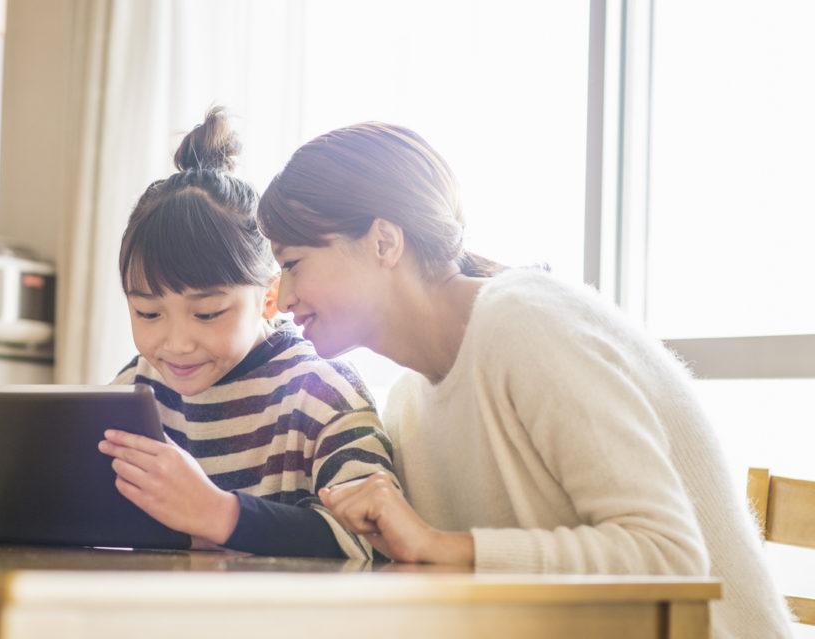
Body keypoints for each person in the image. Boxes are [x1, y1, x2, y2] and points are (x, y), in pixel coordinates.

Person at [255, 121, 794, 637]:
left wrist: (446, 547)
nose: (281, 294)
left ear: (383, 243)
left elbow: (668, 558)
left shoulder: (527, 321)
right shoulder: (408, 406)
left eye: (294, 262)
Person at [97, 107, 396, 560]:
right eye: (147, 312)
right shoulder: (134, 394)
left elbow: (376, 541)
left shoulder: (320, 396)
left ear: (269, 296)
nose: (176, 344)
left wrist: (219, 514)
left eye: (208, 313)